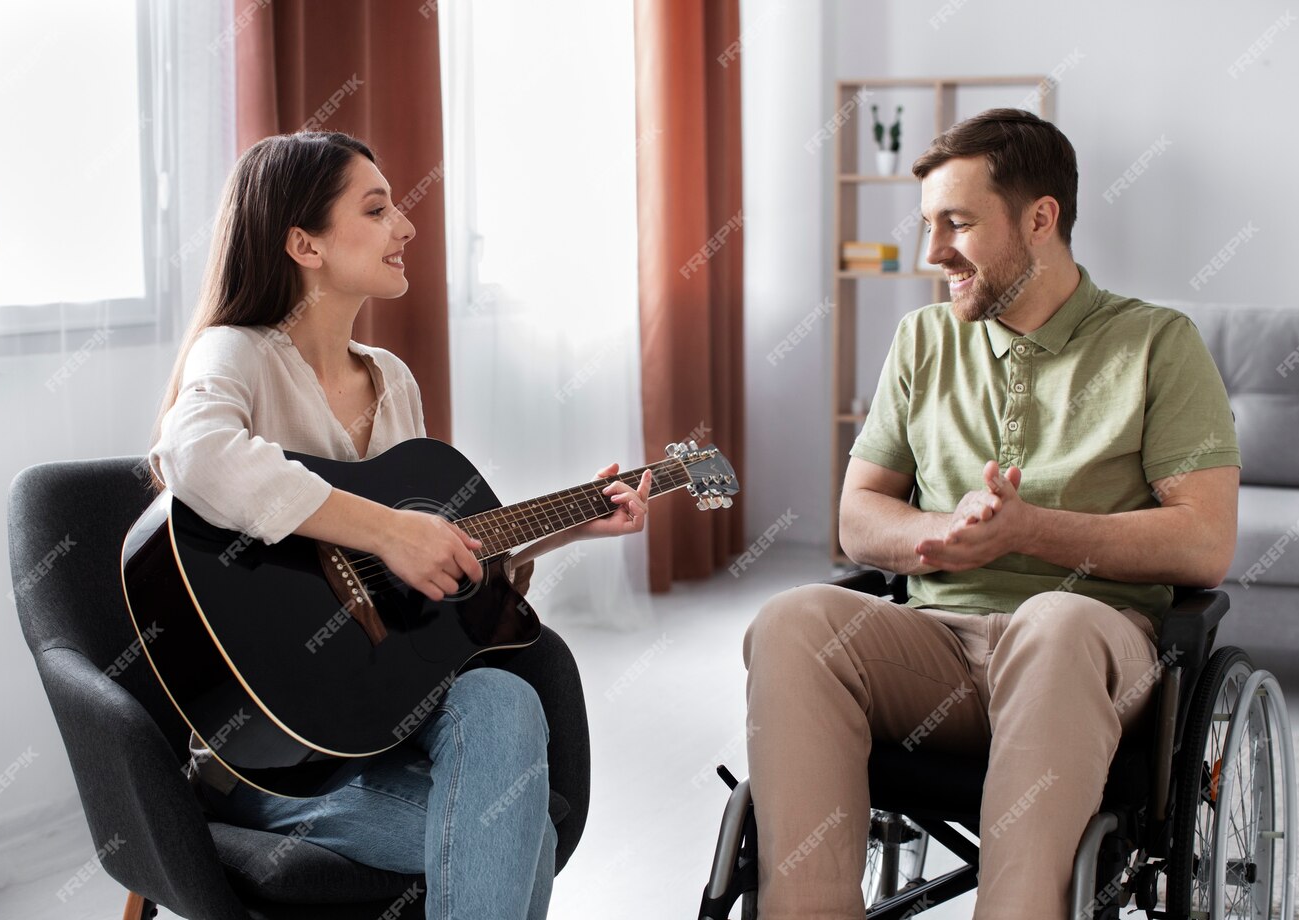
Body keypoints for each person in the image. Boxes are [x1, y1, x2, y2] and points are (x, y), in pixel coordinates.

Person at [743, 108, 1241, 920]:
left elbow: (1204, 542)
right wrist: (938, 537)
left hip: (1093, 647)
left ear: (1040, 219)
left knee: (1056, 620)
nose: (931, 251)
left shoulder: (1157, 343)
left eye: (957, 223)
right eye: (928, 224)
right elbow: (859, 518)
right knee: (793, 619)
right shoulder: (922, 342)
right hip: (939, 648)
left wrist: (1031, 530)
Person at [148, 130, 651, 920]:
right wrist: (385, 530)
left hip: (382, 718)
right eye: (377, 209)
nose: (407, 228)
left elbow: (438, 583)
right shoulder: (237, 354)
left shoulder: (394, 381)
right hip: (273, 754)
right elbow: (196, 451)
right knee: (523, 835)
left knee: (501, 697)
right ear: (302, 242)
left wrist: (573, 527)